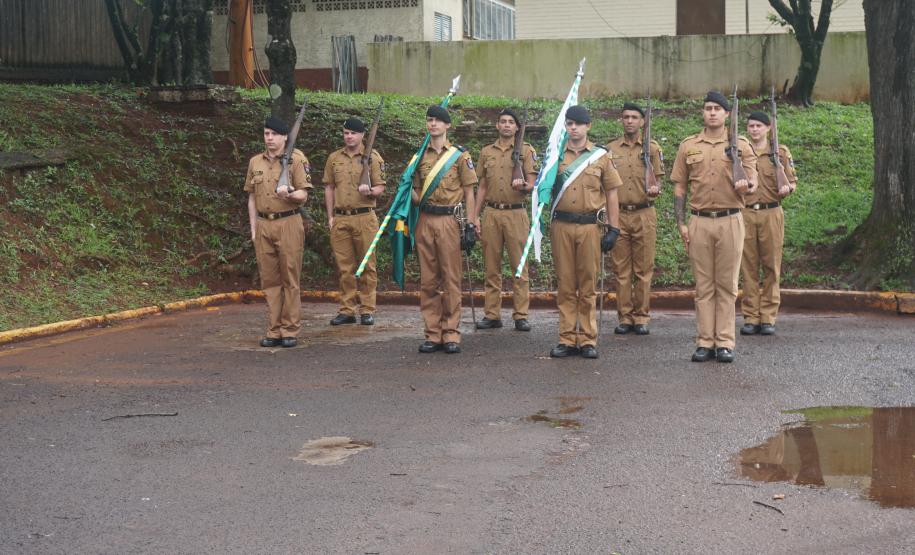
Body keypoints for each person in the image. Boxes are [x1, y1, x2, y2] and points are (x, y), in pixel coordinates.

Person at [671, 91, 758, 363]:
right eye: (707, 108)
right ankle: (704, 341)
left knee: (727, 285)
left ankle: (724, 342)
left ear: (727, 114)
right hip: (699, 220)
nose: (711, 112)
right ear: (703, 112)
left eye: (717, 109)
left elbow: (754, 183)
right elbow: (680, 186)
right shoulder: (689, 146)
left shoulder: (740, 146)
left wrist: (745, 183)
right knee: (703, 285)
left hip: (730, 219)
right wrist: (681, 222)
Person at [549, 105, 622, 359]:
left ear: (588, 126)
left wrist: (614, 228)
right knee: (566, 283)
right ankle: (567, 338)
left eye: (578, 124)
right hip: (562, 226)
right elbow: (543, 188)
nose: (573, 128)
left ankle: (588, 339)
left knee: (588, 283)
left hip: (591, 226)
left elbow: (612, 193)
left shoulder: (600, 156)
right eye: (569, 124)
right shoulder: (555, 156)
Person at [412, 105, 478, 354]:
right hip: (426, 220)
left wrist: (470, 224)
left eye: (438, 121)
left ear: (447, 125)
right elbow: (414, 189)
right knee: (429, 280)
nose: (432, 125)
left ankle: (451, 332)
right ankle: (432, 333)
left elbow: (470, 193)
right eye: (429, 120)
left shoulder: (460, 156)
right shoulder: (419, 157)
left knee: (451, 278)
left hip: (451, 221)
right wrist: (416, 197)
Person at [244, 115, 312, 348]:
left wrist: (290, 193)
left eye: (274, 134)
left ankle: (290, 329)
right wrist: (254, 228)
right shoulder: (256, 162)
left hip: (288, 223)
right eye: (266, 134)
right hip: (264, 224)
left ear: (285, 137)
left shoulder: (296, 159)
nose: (269, 138)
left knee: (289, 278)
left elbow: (304, 194)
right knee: (270, 281)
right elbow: (252, 197)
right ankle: (274, 330)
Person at [470, 108, 538, 332]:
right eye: (503, 121)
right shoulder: (486, 152)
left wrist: (524, 186)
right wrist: (475, 216)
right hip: (491, 212)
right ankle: (492, 314)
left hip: (516, 213)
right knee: (491, 266)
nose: (507, 125)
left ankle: (521, 315)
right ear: (497, 126)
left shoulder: (526, 151)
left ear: (517, 127)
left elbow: (532, 184)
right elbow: (482, 186)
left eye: (511, 122)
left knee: (519, 266)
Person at [606, 102, 665, 336]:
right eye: (626, 117)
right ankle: (625, 317)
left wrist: (655, 189)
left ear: (642, 122)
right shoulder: (610, 150)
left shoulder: (651, 148)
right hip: (618, 214)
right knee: (621, 270)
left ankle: (641, 316)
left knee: (643, 269)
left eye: (634, 117)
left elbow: (658, 180)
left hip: (644, 213)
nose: (629, 121)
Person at [322, 117, 386, 326]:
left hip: (365, 217)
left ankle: (367, 309)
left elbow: (380, 188)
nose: (349, 136)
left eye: (353, 133)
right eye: (346, 133)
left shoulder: (373, 158)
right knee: (344, 267)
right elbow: (329, 187)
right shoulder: (334, 158)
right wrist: (330, 216)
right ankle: (347, 309)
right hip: (341, 218)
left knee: (368, 266)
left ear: (362, 135)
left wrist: (370, 192)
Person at [740, 111, 798, 336]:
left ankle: (768, 317)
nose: (754, 129)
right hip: (745, 213)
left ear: (768, 128)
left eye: (758, 126)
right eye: (751, 125)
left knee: (771, 266)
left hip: (771, 212)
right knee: (748, 267)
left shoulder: (780, 153)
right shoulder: (741, 152)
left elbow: (792, 182)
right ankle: (751, 316)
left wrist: (788, 189)